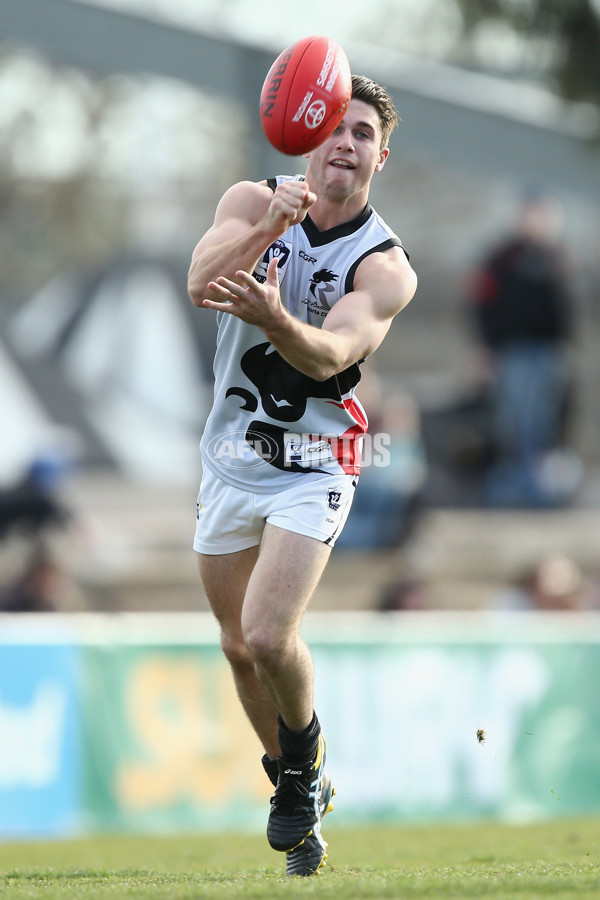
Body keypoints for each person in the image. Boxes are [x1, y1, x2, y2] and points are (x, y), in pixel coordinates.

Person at [187, 74, 417, 876]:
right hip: (231, 455)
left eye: (362, 134)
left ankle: (302, 761)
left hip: (316, 463)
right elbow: (199, 281)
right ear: (307, 132)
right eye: (336, 127)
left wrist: (276, 316)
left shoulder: (385, 266)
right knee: (236, 649)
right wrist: (268, 228)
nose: (345, 144)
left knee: (265, 630)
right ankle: (298, 782)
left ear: (378, 158)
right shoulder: (254, 200)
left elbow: (330, 353)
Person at [467, 192, 575, 508]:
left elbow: (567, 309)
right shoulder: (502, 258)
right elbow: (484, 303)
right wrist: (486, 349)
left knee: (543, 419)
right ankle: (511, 483)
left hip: (549, 352)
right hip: (511, 352)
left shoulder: (557, 259)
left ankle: (540, 486)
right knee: (512, 418)